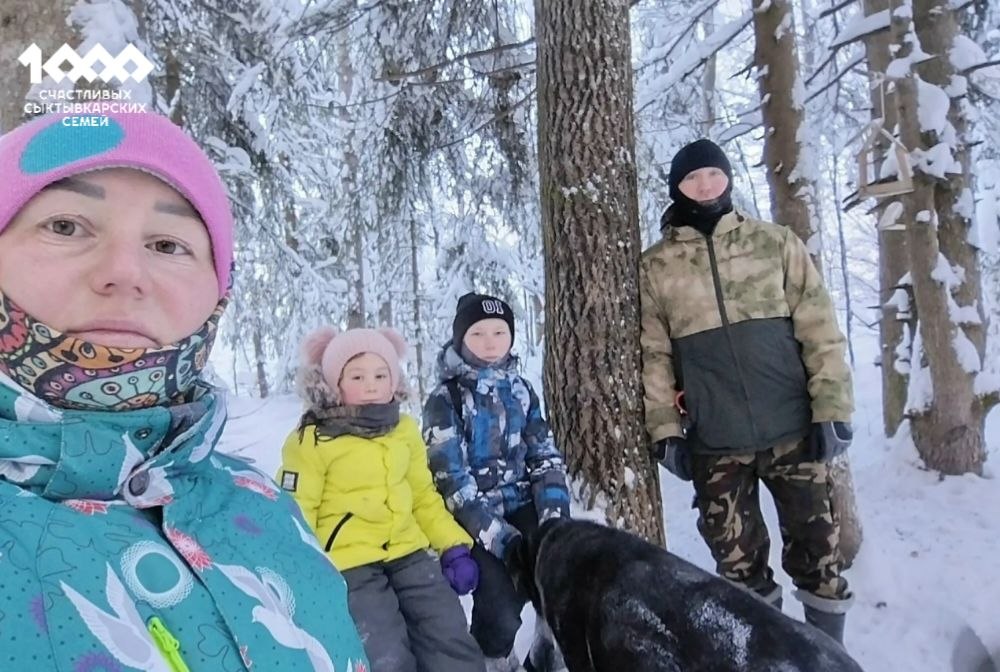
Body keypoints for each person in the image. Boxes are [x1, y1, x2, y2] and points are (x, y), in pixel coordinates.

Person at [0, 111, 368, 670]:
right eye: (66, 226)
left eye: (168, 244)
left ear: (217, 291)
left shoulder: (263, 504)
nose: (125, 272)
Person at [639, 138, 856, 644]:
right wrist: (665, 430)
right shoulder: (657, 266)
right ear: (677, 187)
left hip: (794, 431)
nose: (705, 185)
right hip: (716, 442)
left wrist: (832, 407)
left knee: (820, 555)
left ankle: (828, 654)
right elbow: (654, 354)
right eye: (693, 178)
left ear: (729, 178)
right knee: (738, 568)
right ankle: (764, 655)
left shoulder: (774, 243)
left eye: (713, 174)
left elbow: (819, 328)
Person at [278, 325, 485, 672]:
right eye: (357, 376)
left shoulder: (404, 431)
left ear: (393, 381)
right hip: (349, 563)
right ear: (333, 385)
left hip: (409, 552)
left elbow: (422, 496)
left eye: (380, 375)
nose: (371, 385)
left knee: (448, 631)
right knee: (384, 651)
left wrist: (453, 546)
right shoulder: (312, 440)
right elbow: (295, 512)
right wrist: (300, 574)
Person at [422, 292, 571, 672]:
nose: (490, 343)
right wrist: (503, 540)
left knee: (562, 578)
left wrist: (554, 520)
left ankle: (547, 655)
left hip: (521, 503)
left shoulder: (522, 390)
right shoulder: (446, 398)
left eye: (499, 333)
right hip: (473, 517)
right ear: (460, 339)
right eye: (478, 334)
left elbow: (544, 456)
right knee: (501, 603)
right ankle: (494, 657)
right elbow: (452, 482)